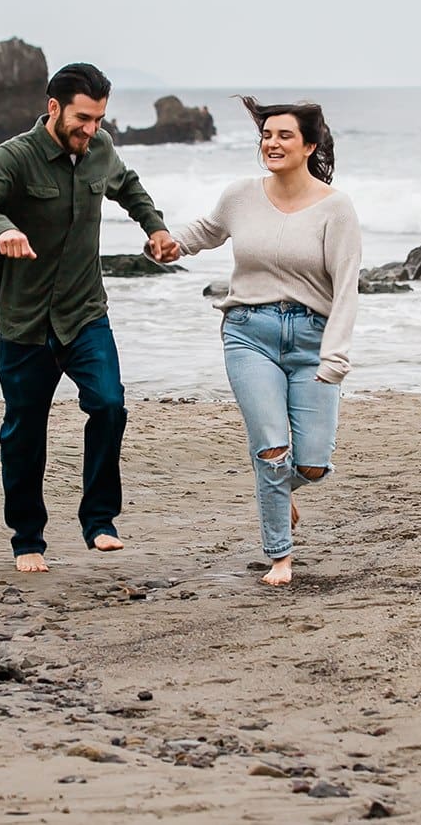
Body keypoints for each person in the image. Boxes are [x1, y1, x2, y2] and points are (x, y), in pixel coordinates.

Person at [0, 63, 177, 573]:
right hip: (26, 320)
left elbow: (130, 187)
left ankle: (99, 520)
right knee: (25, 431)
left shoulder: (100, 149)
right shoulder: (16, 156)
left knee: (110, 405)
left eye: (99, 118)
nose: (91, 129)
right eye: (83, 118)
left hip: (84, 313)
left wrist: (155, 228)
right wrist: (0, 229)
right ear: (54, 108)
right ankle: (27, 538)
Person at [164, 97, 361, 586]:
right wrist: (171, 242)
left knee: (312, 464)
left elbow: (346, 286)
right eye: (266, 136)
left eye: (284, 136)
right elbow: (207, 231)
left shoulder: (336, 209)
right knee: (272, 450)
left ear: (309, 145)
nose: (272, 144)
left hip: (312, 340)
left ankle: (281, 488)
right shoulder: (241, 195)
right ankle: (280, 557)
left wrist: (334, 357)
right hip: (247, 334)